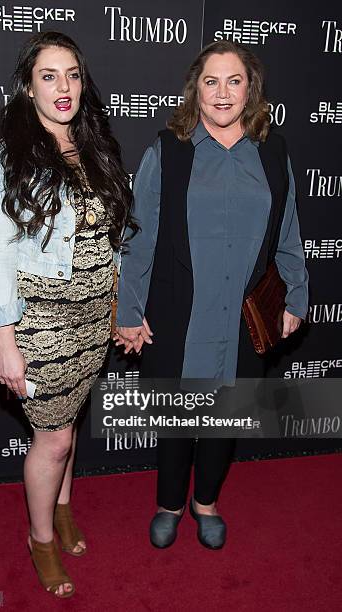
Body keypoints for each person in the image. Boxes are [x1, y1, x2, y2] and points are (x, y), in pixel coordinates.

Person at [115, 40, 308, 550]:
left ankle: (206, 505)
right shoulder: (168, 151)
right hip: (183, 312)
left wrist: (296, 298)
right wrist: (129, 310)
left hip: (243, 316)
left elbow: (287, 231)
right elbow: (139, 239)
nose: (223, 93)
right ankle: (170, 504)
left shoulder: (274, 152)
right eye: (211, 81)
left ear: (251, 89)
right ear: (195, 90)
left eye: (234, 81)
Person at [0, 31, 133, 597]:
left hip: (92, 316)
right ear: (27, 86)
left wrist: (117, 300)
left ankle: (63, 512)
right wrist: (4, 340)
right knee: (55, 440)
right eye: (49, 76)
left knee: (68, 426)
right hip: (39, 319)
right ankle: (40, 538)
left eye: (72, 74)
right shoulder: (5, 158)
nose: (63, 87)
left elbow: (109, 239)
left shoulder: (94, 144)